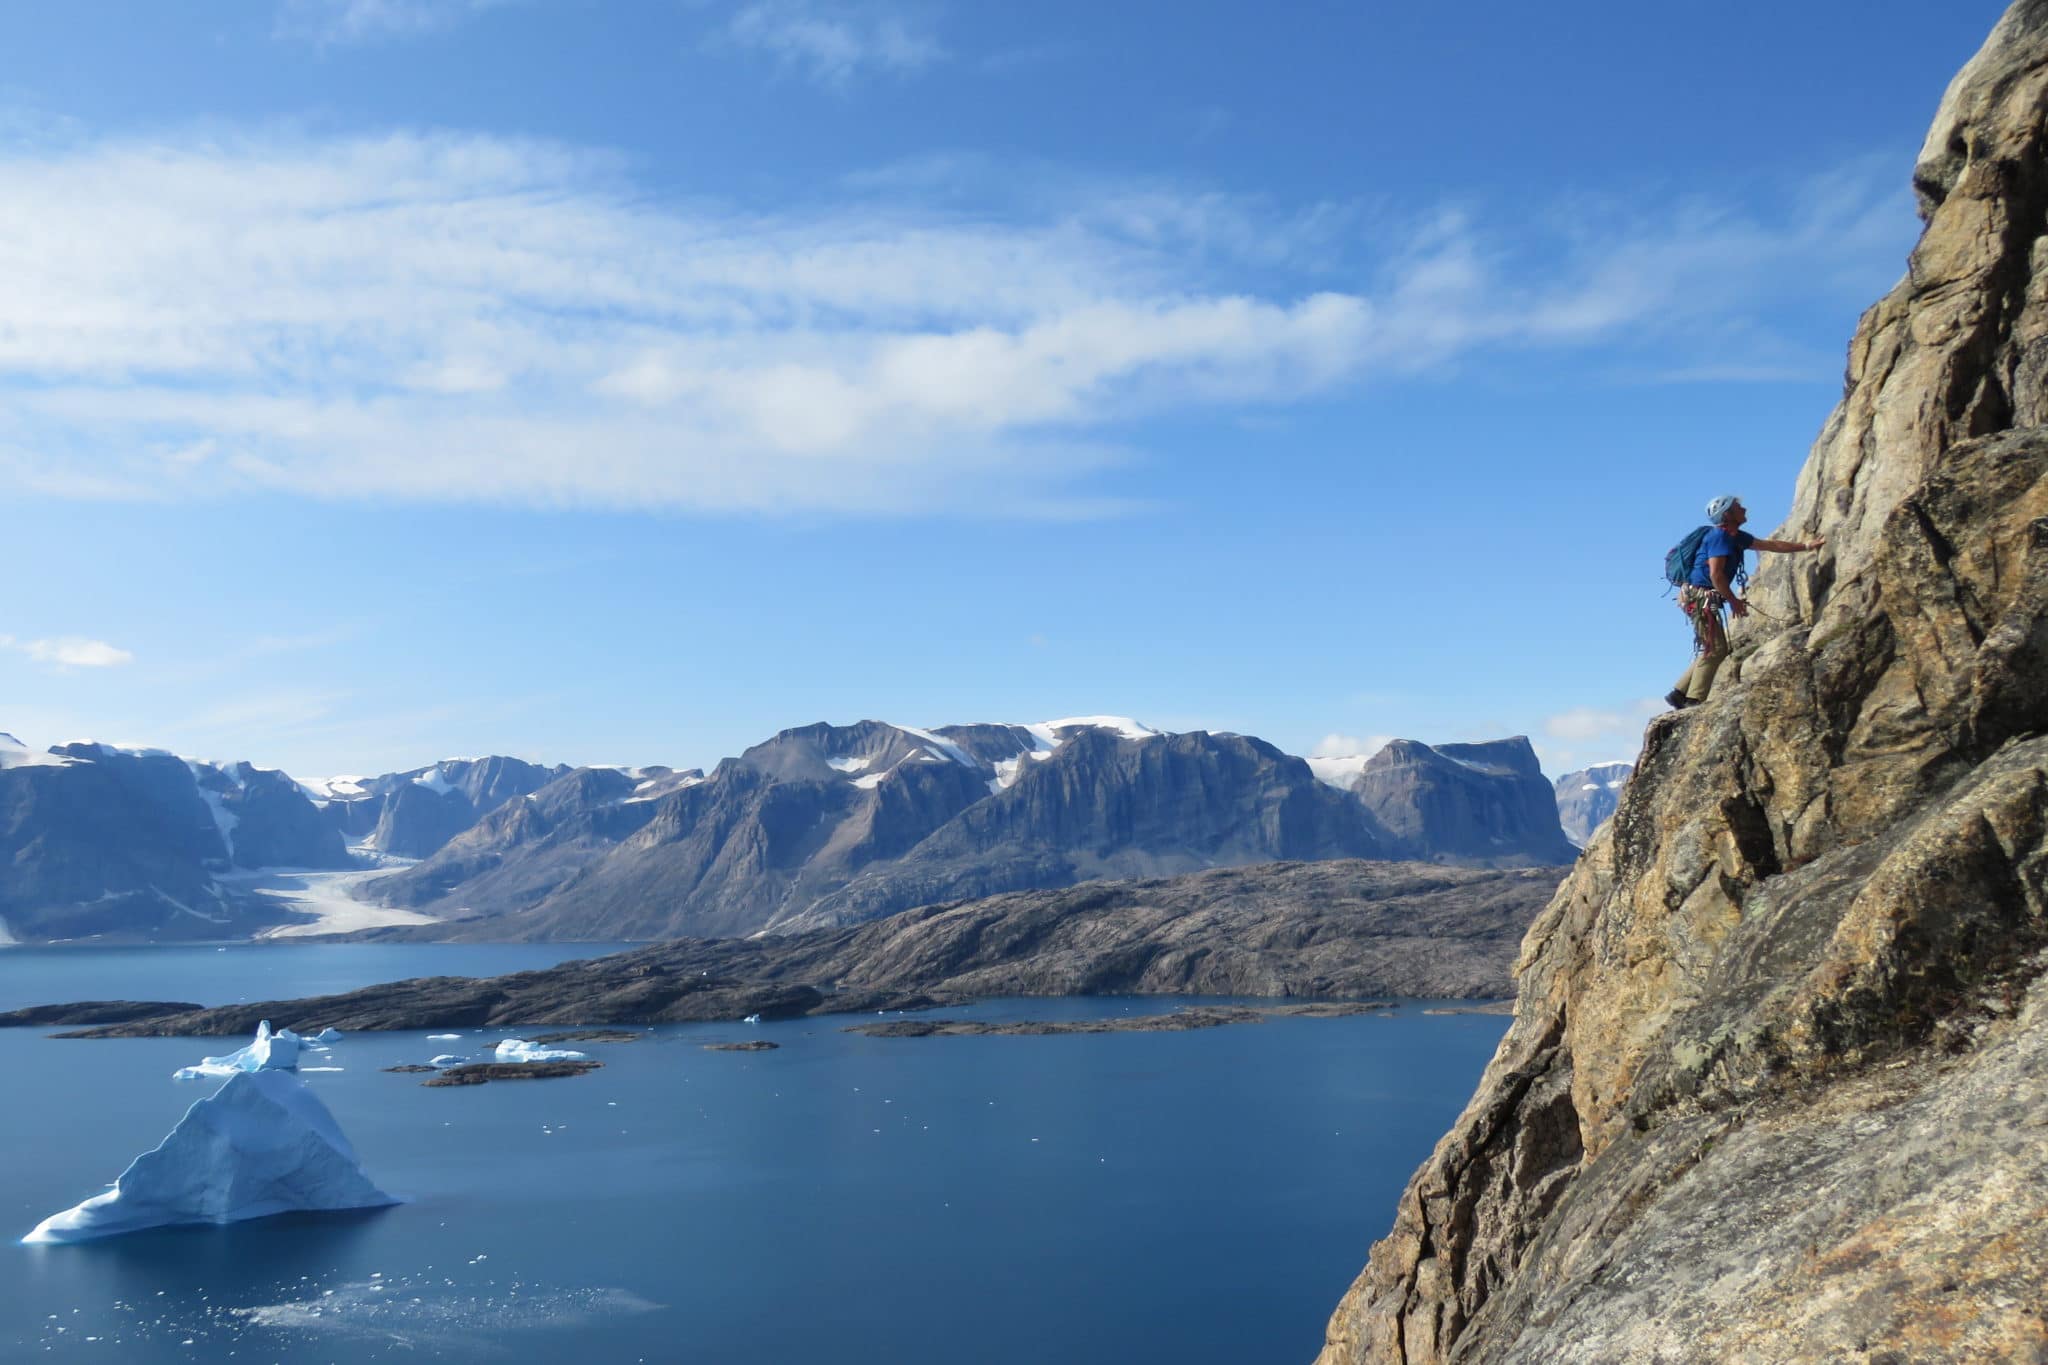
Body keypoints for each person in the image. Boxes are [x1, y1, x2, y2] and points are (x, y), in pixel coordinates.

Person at [1666, 495, 1825, 708]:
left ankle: (1678, 693)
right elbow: (1716, 575)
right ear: (1728, 514)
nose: (1744, 509)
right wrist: (1733, 601)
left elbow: (1771, 545)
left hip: (1700, 597)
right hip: (1700, 597)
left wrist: (1806, 546)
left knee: (1712, 645)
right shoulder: (1719, 538)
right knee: (1715, 648)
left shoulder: (1736, 536)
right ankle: (1694, 699)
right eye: (1738, 507)